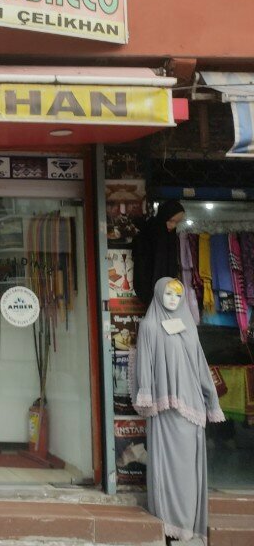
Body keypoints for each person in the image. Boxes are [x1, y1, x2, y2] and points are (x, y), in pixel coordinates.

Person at [129, 277, 225, 544]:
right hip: (166, 409)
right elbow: (145, 363)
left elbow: (200, 364)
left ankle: (190, 526)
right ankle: (170, 524)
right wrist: (146, 392)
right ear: (159, 294)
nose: (173, 299)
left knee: (189, 470)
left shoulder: (188, 325)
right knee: (168, 468)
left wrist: (211, 399)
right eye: (168, 294)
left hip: (192, 409)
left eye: (177, 295)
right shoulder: (149, 326)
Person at [132, 200, 186, 307]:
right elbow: (144, 266)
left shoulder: (169, 236)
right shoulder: (150, 233)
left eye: (177, 223)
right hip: (150, 291)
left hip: (166, 294)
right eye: (171, 221)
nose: (173, 226)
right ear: (164, 216)